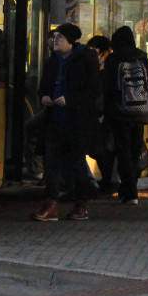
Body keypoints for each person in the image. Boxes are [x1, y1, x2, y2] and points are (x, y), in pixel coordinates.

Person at [32, 23, 102, 221]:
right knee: (51, 162)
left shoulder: (86, 59)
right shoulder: (52, 61)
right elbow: (44, 85)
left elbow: (93, 90)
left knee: (76, 164)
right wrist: (44, 96)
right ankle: (51, 204)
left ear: (71, 42)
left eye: (60, 37)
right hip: (54, 119)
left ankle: (81, 204)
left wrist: (69, 99)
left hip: (77, 122)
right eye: (54, 37)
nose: (55, 41)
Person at [103, 26, 148, 205]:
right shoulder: (143, 58)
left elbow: (108, 88)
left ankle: (129, 192)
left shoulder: (113, 60)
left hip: (119, 113)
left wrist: (107, 110)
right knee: (135, 151)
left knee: (123, 152)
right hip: (140, 112)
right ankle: (131, 190)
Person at [86, 35, 117, 195]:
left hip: (109, 115)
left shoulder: (108, 68)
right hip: (109, 114)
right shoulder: (110, 66)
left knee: (104, 149)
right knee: (103, 149)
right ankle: (108, 182)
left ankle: (108, 182)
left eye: (95, 51)